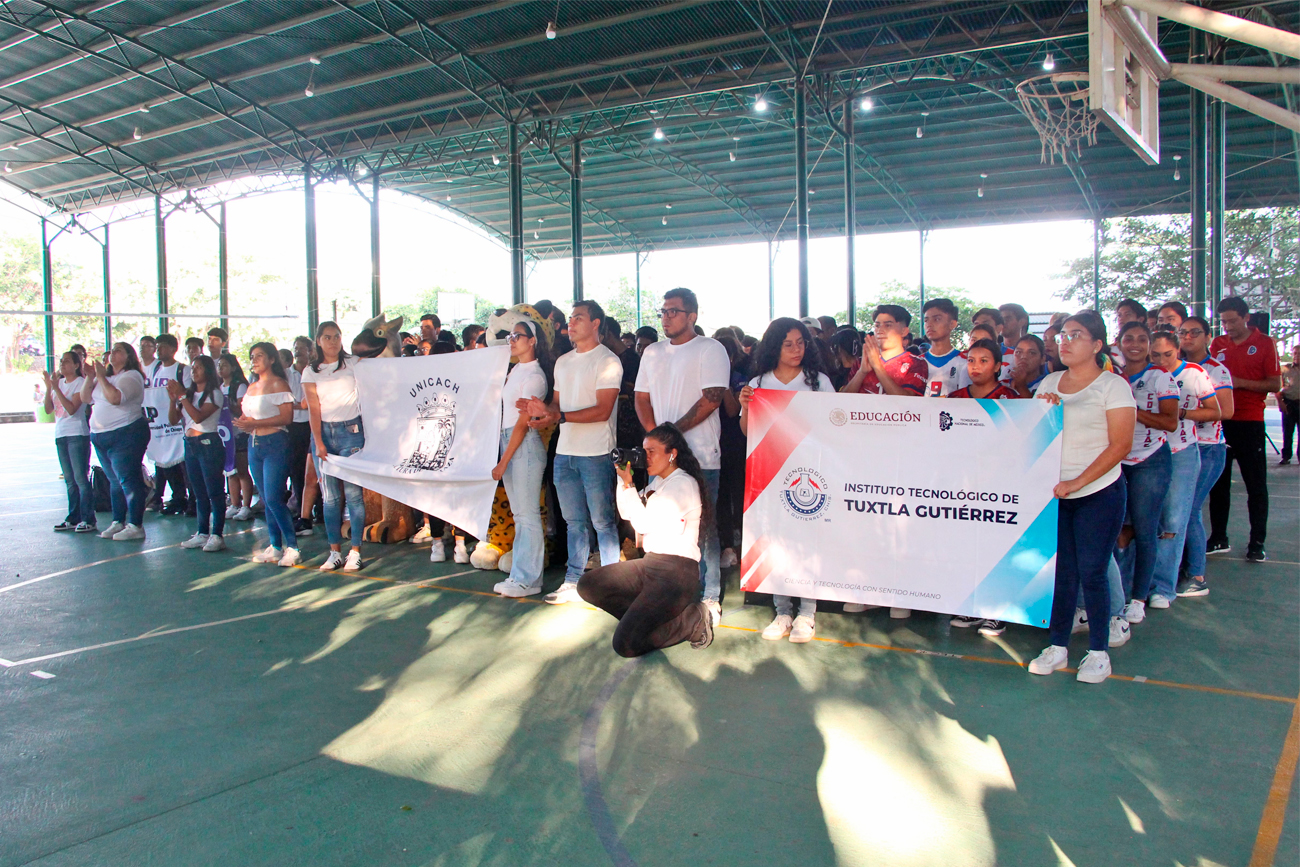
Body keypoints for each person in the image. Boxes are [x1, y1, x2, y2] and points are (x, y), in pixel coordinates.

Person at [1028, 311, 1136, 685]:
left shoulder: (1113, 386)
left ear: (1097, 344)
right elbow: (1034, 436)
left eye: (1076, 335)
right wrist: (1041, 411)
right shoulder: (1052, 381)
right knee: (1063, 572)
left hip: (1099, 492)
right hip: (1057, 493)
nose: (1065, 341)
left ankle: (1098, 652)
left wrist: (1077, 482)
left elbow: (1120, 444)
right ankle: (1057, 646)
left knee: (1093, 571)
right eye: (1062, 335)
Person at [634, 288, 731, 623]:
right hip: (659, 459)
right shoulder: (652, 353)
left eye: (673, 311)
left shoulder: (710, 349)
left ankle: (709, 596)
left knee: (703, 529)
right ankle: (666, 593)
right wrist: (654, 439)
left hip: (701, 456)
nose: (666, 317)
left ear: (692, 316)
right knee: (660, 528)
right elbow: (641, 397)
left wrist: (671, 433)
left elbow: (712, 398)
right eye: (663, 311)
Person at [577, 423, 714, 657]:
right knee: (589, 584)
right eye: (643, 450)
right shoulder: (659, 482)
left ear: (672, 454)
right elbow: (626, 513)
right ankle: (644, 624)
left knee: (625, 645)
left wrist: (629, 484)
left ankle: (690, 621)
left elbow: (641, 524)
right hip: (651, 565)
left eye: (651, 451)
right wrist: (623, 481)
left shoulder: (682, 484)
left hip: (676, 573)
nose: (644, 456)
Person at [738, 318, 833, 643]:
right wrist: (745, 407)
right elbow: (748, 432)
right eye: (788, 344)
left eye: (801, 343)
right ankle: (782, 610)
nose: (796, 349)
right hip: (770, 474)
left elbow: (832, 426)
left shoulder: (818, 381)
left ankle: (807, 612)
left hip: (809, 474)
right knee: (774, 539)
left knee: (808, 541)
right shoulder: (759, 382)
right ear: (774, 347)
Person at [522, 300, 622, 604]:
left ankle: (613, 584)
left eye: (579, 317)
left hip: (596, 453)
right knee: (574, 522)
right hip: (565, 452)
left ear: (595, 324)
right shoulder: (563, 361)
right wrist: (541, 412)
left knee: (603, 521)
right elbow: (557, 404)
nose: (571, 323)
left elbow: (603, 410)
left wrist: (557, 416)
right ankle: (574, 580)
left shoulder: (608, 361)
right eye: (571, 318)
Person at [841, 304, 928, 619]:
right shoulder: (862, 364)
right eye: (876, 324)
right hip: (863, 454)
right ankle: (869, 589)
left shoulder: (915, 364)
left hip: (901, 457)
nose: (879, 329)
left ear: (905, 330)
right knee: (866, 522)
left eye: (888, 324)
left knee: (899, 523)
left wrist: (878, 368)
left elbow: (910, 404)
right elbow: (839, 401)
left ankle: (900, 590)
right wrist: (864, 370)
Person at [1148, 331, 1219, 607]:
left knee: (1174, 520)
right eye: (1156, 355)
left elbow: (1216, 410)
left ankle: (1163, 588)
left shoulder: (1194, 374)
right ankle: (1138, 583)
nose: (1162, 360)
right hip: (1147, 453)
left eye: (1168, 354)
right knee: (1142, 521)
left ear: (1178, 350)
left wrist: (1182, 414)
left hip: (1182, 452)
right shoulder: (1141, 375)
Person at [1208, 297, 1282, 561]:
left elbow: (1274, 384)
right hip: (1220, 421)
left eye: (1232, 320)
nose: (1226, 326)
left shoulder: (1265, 344)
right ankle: (1218, 537)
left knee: (1255, 485)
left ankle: (1257, 541)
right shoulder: (1217, 344)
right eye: (1223, 321)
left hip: (1250, 421)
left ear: (1246, 317)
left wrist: (1238, 382)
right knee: (1218, 483)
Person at [1113, 320, 1177, 624]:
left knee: (1145, 526)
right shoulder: (1113, 377)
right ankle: (1120, 593)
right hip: (1117, 459)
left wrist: (1132, 412)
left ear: (1150, 344)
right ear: (1119, 343)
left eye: (1141, 338)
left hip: (1151, 459)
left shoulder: (1160, 377)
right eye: (1128, 338)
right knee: (1116, 530)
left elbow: (1170, 422)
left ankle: (1138, 598)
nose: (1135, 344)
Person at [492, 318, 553, 597]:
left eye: (519, 335)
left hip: (523, 445)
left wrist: (504, 460)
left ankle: (529, 579)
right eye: (510, 336)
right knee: (520, 514)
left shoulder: (535, 375)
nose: (512, 340)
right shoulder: (516, 370)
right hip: (510, 442)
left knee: (527, 515)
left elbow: (522, 423)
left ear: (533, 341)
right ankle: (519, 575)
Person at [303, 321, 368, 572]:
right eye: (327, 337)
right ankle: (334, 551)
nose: (332, 341)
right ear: (318, 340)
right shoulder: (311, 371)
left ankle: (355, 551)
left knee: (353, 494)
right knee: (330, 498)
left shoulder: (353, 363)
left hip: (351, 432)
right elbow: (313, 408)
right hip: (324, 435)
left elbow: (382, 369)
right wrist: (318, 441)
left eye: (337, 336)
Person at [1176, 317, 1234, 598]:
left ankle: (1197, 576)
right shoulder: (1174, 368)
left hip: (1208, 448)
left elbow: (1226, 410)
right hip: (1181, 447)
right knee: (1179, 511)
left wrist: (1183, 415)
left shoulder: (1215, 371)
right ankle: (1183, 568)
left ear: (1208, 337)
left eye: (1194, 333)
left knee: (1189, 510)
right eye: (1183, 333)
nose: (1188, 338)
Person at [234, 343, 297, 566]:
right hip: (254, 443)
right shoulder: (252, 387)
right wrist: (244, 424)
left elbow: (286, 417)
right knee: (265, 497)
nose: (254, 360)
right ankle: (275, 545)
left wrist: (255, 423)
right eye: (252, 356)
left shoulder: (279, 384)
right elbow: (247, 415)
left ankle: (293, 546)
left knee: (273, 497)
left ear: (271, 359)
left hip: (275, 443)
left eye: (259, 356)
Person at [82, 343, 150, 541]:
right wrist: (90, 377)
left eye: (119, 350)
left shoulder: (131, 376)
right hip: (101, 436)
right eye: (112, 350)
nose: (113, 354)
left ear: (129, 357)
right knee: (114, 481)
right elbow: (86, 397)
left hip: (126, 434)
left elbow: (115, 398)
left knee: (128, 479)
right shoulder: (106, 378)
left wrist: (101, 376)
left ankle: (135, 524)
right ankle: (118, 520)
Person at [168, 355, 228, 552]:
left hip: (208, 443)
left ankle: (217, 534)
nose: (194, 371)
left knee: (214, 491)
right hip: (190, 444)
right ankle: (202, 532)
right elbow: (173, 419)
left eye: (199, 368)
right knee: (198, 492)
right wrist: (173, 400)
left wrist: (182, 397)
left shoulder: (214, 394)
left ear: (208, 371)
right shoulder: (189, 394)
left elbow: (199, 417)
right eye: (193, 368)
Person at [44, 351, 95, 533]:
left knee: (81, 478)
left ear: (76, 365)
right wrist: (49, 387)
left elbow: (72, 409)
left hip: (77, 434)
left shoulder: (80, 383)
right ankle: (73, 517)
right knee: (70, 480)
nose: (62, 364)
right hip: (61, 434)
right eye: (61, 361)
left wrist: (56, 388)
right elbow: (49, 409)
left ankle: (88, 518)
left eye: (66, 361)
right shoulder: (58, 384)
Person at [144, 334, 189, 515]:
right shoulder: (156, 370)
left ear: (173, 349)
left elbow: (187, 393)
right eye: (158, 346)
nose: (159, 350)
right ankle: (178, 498)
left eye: (162, 346)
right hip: (161, 425)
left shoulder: (182, 370)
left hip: (179, 424)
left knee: (183, 464)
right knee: (167, 464)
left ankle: (191, 499)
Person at [218, 354, 255, 521]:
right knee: (230, 470)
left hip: (238, 434)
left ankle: (246, 505)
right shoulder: (218, 387)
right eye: (219, 365)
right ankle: (234, 503)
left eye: (224, 365)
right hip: (224, 434)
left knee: (241, 469)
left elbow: (242, 410)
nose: (220, 369)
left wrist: (226, 405)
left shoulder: (239, 386)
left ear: (233, 367)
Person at [285, 337, 314, 535]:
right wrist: (299, 404)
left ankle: (318, 510)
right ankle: (300, 510)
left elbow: (311, 402)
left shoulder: (314, 371)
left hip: (312, 425)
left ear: (310, 351)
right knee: (296, 470)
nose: (298, 352)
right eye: (296, 349)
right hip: (293, 425)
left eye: (302, 349)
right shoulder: (287, 374)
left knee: (315, 471)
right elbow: (286, 401)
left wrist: (302, 404)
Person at [921, 298, 969, 397]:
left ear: (952, 324)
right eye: (926, 320)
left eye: (937, 319)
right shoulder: (916, 363)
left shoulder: (964, 362)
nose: (929, 324)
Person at [947, 339, 1021, 401]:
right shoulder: (955, 398)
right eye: (971, 360)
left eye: (983, 361)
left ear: (997, 366)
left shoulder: (1010, 397)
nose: (975, 366)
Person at [1281, 345, 1299, 465]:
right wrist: (1280, 403)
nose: (1297, 356)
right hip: (1288, 402)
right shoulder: (1285, 369)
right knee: (1287, 431)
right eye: (1295, 353)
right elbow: (1278, 386)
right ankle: (1286, 456)